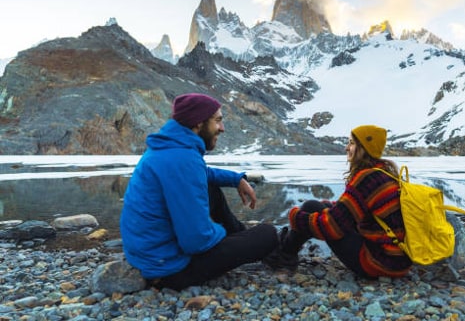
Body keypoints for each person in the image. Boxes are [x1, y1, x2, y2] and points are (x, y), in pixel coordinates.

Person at [120, 93, 278, 290]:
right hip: (169, 270)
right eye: (218, 121)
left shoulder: (170, 148)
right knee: (268, 234)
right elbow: (195, 242)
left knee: (211, 187)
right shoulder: (183, 160)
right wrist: (222, 234)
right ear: (198, 123)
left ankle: (240, 236)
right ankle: (262, 246)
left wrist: (235, 179)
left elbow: (202, 174)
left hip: (148, 255)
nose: (222, 128)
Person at [264, 124, 412, 278]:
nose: (347, 148)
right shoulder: (384, 174)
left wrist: (295, 216)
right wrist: (332, 207)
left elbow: (332, 227)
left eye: (352, 143)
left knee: (310, 207)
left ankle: (284, 256)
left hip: (378, 263)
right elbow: (360, 211)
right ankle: (285, 252)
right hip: (399, 261)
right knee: (322, 207)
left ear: (364, 148)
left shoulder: (367, 178)